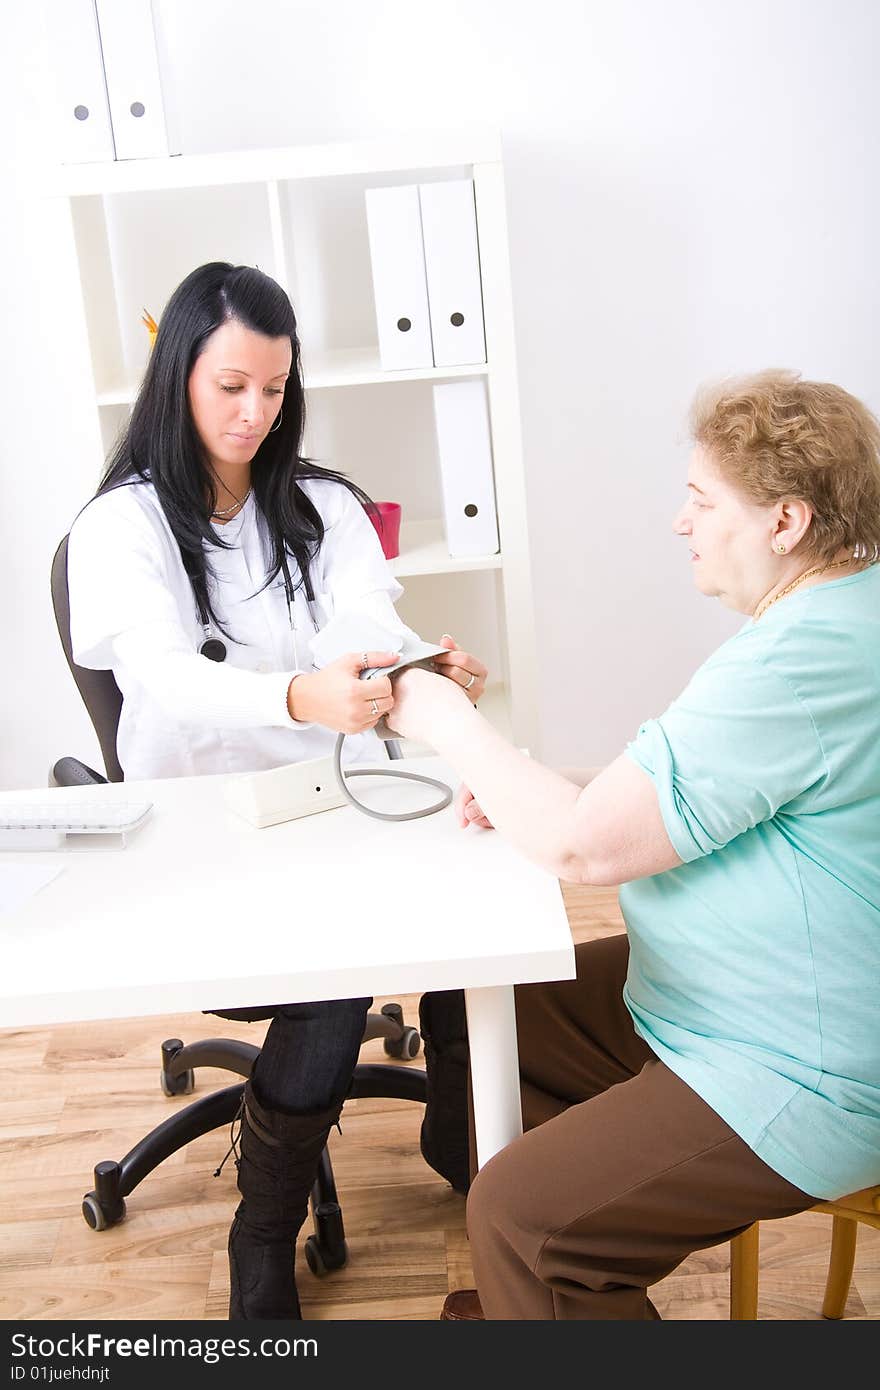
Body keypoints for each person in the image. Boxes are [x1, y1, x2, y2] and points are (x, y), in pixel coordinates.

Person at [388, 369, 880, 1320]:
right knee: (479, 1016)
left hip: (798, 1062)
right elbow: (708, 787)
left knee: (523, 1222)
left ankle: (542, 1274)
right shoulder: (842, 612)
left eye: (701, 501)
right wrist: (542, 785)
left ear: (784, 522)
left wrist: (448, 721)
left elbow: (581, 853)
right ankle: (532, 1308)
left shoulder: (795, 660)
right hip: (724, 994)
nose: (679, 521)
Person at [65, 261, 486, 1320]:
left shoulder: (324, 505)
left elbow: (357, 617)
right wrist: (301, 692)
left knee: (477, 895)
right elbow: (162, 675)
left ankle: (461, 1133)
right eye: (231, 386)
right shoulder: (123, 529)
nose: (256, 412)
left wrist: (395, 667)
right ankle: (262, 1229)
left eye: (276, 388)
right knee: (332, 973)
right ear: (178, 380)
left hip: (335, 801)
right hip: (208, 835)